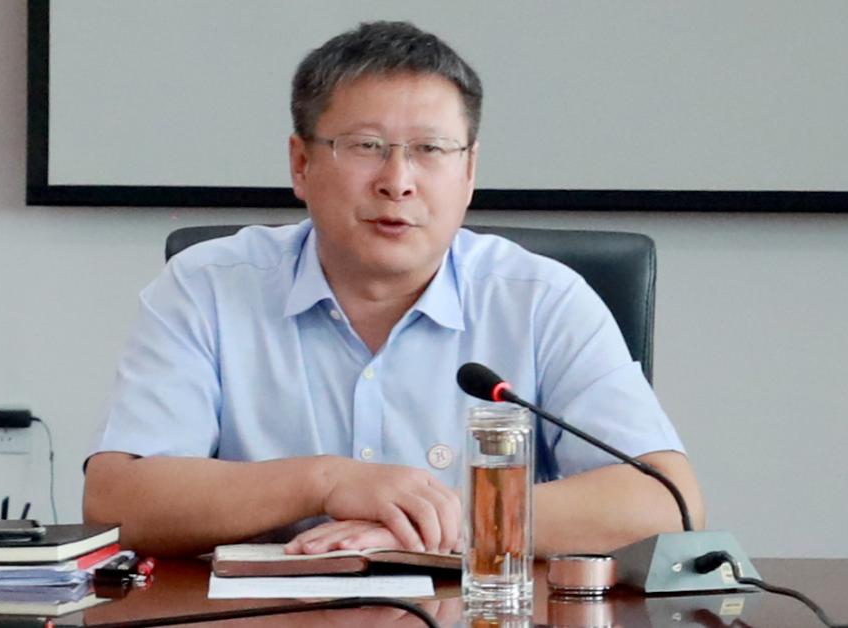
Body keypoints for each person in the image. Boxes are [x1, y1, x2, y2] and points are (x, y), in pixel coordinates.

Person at [84, 21, 704, 557]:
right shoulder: (206, 288)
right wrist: (326, 483)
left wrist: (441, 518)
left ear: (469, 170)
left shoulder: (541, 300)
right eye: (366, 147)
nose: (398, 181)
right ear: (301, 164)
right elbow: (116, 501)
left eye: (430, 149)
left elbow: (667, 502)